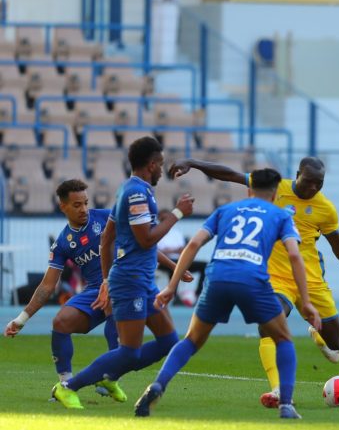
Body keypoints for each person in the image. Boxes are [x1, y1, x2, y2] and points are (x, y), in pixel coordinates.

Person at [167, 156, 339, 409]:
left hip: (311, 282)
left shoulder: (325, 209)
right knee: (269, 323)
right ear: (297, 175)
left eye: (320, 183)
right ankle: (277, 389)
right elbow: (230, 174)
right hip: (276, 278)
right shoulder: (276, 188)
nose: (314, 188)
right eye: (310, 182)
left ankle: (317, 333)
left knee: (337, 344)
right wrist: (194, 163)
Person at [135, 168, 321, 419]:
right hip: (252, 279)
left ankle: (157, 385)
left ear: (248, 190)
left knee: (190, 341)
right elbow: (295, 255)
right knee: (283, 339)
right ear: (276, 192)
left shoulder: (226, 211)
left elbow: (193, 244)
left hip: (217, 276)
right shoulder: (281, 215)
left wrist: (171, 286)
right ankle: (286, 405)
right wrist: (307, 302)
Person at [3, 179, 187, 401]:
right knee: (60, 322)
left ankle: (110, 377)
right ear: (63, 207)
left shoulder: (106, 217)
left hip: (123, 282)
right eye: (77, 205)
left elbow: (142, 244)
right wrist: (22, 319)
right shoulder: (63, 243)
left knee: (131, 331)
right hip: (95, 291)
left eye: (85, 203)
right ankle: (65, 384)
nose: (83, 209)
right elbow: (47, 285)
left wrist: (174, 267)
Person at [51, 137, 194, 410]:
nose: (162, 171)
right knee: (129, 351)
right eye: (160, 165)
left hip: (140, 281)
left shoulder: (127, 190)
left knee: (168, 341)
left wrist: (105, 280)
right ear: (151, 165)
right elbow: (146, 240)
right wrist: (177, 213)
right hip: (130, 282)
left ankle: (109, 376)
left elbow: (106, 239)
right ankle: (68, 386)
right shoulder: (137, 194)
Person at [157, 208, 206, 305]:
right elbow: (158, 252)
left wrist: (169, 250)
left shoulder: (176, 233)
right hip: (163, 263)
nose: (165, 221)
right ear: (159, 219)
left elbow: (183, 250)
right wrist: (174, 250)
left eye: (167, 219)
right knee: (174, 267)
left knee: (204, 265)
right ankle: (174, 296)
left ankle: (196, 295)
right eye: (163, 219)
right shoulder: (157, 232)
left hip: (179, 260)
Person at [148, 0, 183, 65]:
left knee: (169, 36)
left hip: (171, 10)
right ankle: (155, 61)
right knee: (157, 34)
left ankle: (168, 61)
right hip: (158, 9)